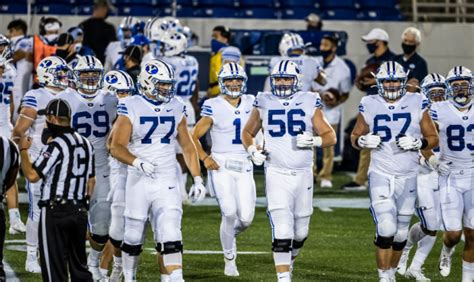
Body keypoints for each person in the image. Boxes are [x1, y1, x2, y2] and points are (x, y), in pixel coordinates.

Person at [110, 59, 206, 282]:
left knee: (171, 229)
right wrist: (136, 162)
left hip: (166, 176)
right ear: (148, 82)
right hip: (138, 177)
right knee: (133, 234)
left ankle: (175, 278)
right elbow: (116, 146)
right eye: (162, 84)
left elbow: (187, 145)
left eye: (168, 84)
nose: (166, 88)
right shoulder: (131, 104)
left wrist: (198, 178)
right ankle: (130, 278)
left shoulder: (176, 105)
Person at [242, 60, 336, 282]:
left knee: (300, 232)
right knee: (282, 228)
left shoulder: (309, 100)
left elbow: (330, 136)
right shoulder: (264, 100)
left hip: (303, 173)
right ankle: (283, 278)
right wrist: (252, 149)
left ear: (297, 81)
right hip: (276, 171)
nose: (282, 83)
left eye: (287, 79)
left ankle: (289, 262)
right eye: (279, 79)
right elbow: (247, 131)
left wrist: (314, 139)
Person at [351, 61, 438, 281]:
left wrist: (419, 143)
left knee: (400, 233)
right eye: (387, 81)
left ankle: (390, 273)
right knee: (386, 227)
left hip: (408, 174)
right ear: (379, 82)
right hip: (380, 172)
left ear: (403, 82)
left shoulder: (417, 101)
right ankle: (383, 277)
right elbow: (354, 137)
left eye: (395, 81)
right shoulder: (369, 102)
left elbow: (433, 137)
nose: (390, 85)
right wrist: (362, 140)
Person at [18, 98, 94, 282]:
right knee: (80, 268)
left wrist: (24, 151)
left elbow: (32, 175)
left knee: (54, 269)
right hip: (79, 211)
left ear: (53, 118)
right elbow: (91, 181)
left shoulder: (57, 144)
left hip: (55, 211)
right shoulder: (86, 143)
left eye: (47, 118)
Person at [192, 63, 256, 277]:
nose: (234, 83)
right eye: (229, 80)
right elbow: (193, 136)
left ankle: (228, 236)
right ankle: (229, 259)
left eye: (237, 79)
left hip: (245, 164)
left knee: (246, 219)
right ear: (221, 82)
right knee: (229, 213)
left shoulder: (252, 101)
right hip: (222, 166)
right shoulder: (214, 104)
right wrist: (204, 157)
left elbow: (262, 128)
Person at [57, 55, 118, 281]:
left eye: (95, 75)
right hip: (72, 168)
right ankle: (65, 263)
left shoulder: (112, 99)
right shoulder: (64, 98)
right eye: (85, 74)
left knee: (102, 225)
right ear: (76, 75)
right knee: (67, 221)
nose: (91, 79)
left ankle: (93, 260)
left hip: (102, 166)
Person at [11, 56, 69, 273]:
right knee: (37, 210)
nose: (65, 76)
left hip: (64, 161)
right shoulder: (35, 96)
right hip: (40, 159)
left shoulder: (70, 94)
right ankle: (31, 255)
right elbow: (19, 130)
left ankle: (55, 252)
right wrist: (22, 151)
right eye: (60, 72)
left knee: (63, 209)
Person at [397, 73, 447, 280]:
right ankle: (405, 251)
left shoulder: (453, 111)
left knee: (435, 223)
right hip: (423, 172)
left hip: (445, 173)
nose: (436, 97)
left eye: (440, 92)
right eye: (432, 92)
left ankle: (415, 266)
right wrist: (433, 160)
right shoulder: (419, 111)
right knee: (431, 223)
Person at [430, 66, 474, 280]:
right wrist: (433, 160)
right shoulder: (438, 109)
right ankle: (446, 251)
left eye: (463, 84)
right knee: (454, 234)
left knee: (473, 234)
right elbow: (427, 138)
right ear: (448, 88)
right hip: (450, 175)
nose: (459, 89)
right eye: (455, 85)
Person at [342, 28, 395, 191]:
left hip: (390, 105)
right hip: (372, 104)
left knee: (391, 143)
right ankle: (361, 178)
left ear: (381, 42)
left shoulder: (394, 60)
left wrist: (374, 79)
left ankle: (386, 176)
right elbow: (362, 83)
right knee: (365, 141)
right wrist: (361, 82)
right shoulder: (370, 60)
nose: (369, 45)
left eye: (372, 42)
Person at [102, 70, 135, 281]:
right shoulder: (100, 110)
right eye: (120, 92)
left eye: (126, 92)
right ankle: (105, 266)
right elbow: (109, 146)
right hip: (109, 169)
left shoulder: (133, 108)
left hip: (129, 169)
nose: (124, 96)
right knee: (106, 225)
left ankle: (114, 267)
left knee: (124, 225)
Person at [161, 31, 200, 204]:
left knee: (171, 150)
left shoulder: (166, 62)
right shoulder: (193, 61)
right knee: (185, 149)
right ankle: (182, 189)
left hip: (170, 105)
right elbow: (196, 85)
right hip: (188, 106)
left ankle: (175, 188)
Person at [312, 34, 352, 188]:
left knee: (328, 147)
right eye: (322, 44)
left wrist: (334, 101)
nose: (322, 48)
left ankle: (326, 176)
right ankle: (312, 174)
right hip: (313, 109)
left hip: (330, 112)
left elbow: (346, 93)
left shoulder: (342, 68)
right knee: (310, 145)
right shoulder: (314, 63)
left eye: (326, 45)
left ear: (334, 48)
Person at [7, 19, 33, 123]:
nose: (10, 34)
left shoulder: (25, 41)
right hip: (15, 80)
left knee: (19, 110)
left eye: (12, 31)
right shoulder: (14, 42)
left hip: (22, 81)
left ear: (20, 30)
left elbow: (18, 55)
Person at [394, 27, 428, 92]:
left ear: (417, 44)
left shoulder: (420, 62)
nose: (407, 44)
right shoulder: (395, 59)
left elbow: (415, 85)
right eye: (405, 41)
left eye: (411, 42)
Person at [208, 25, 231, 98]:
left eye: (216, 36)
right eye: (213, 37)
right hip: (215, 91)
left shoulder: (228, 54)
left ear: (225, 38)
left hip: (223, 92)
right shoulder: (217, 53)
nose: (213, 40)